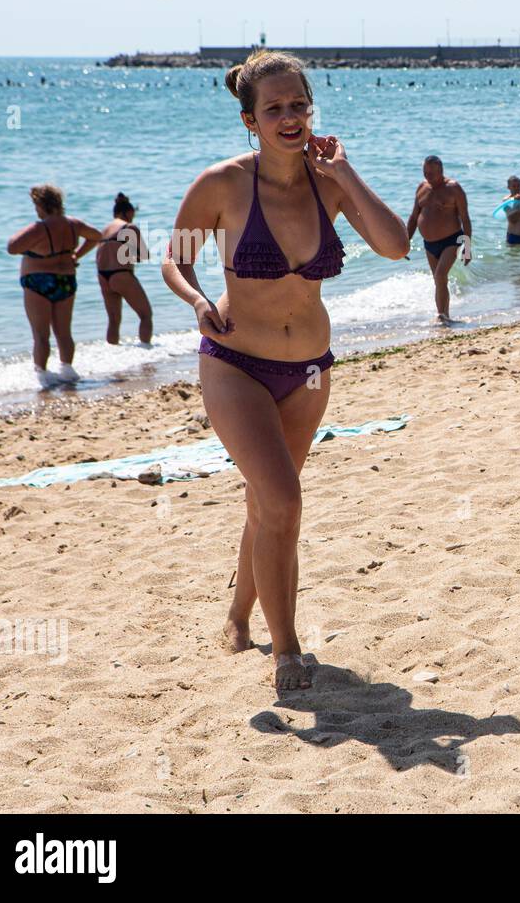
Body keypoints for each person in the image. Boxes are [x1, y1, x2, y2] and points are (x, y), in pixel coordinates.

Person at [161, 50, 409, 691]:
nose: (289, 117)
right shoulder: (222, 184)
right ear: (251, 120)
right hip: (236, 365)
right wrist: (197, 301)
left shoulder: (329, 183)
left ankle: (239, 617)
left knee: (269, 504)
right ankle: (287, 652)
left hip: (311, 373)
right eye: (274, 108)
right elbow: (175, 261)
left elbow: (395, 245)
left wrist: (348, 173)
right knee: (284, 500)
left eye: (298, 104)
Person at [6, 184, 101, 386]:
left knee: (41, 335)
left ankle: (42, 376)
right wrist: (76, 254)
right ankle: (67, 370)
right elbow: (96, 236)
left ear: (42, 205)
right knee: (64, 332)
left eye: (36, 206)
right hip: (66, 280)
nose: (36, 210)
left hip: (38, 282)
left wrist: (33, 237)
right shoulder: (73, 224)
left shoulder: (39, 228)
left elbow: (12, 247)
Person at [407, 155, 472, 322]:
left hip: (451, 240)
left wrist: (467, 248)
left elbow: (465, 218)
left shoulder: (454, 188)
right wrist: (405, 242)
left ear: (441, 171)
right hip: (429, 243)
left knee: (440, 275)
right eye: (425, 172)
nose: (427, 177)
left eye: (431, 173)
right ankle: (444, 315)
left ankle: (442, 315)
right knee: (438, 280)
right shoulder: (422, 187)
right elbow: (414, 218)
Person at [95, 192, 153, 345]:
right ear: (127, 212)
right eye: (132, 215)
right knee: (145, 315)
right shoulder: (129, 227)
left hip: (102, 276)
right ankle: (147, 352)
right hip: (121, 274)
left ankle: (112, 356)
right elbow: (144, 255)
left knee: (113, 321)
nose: (133, 218)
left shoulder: (105, 230)